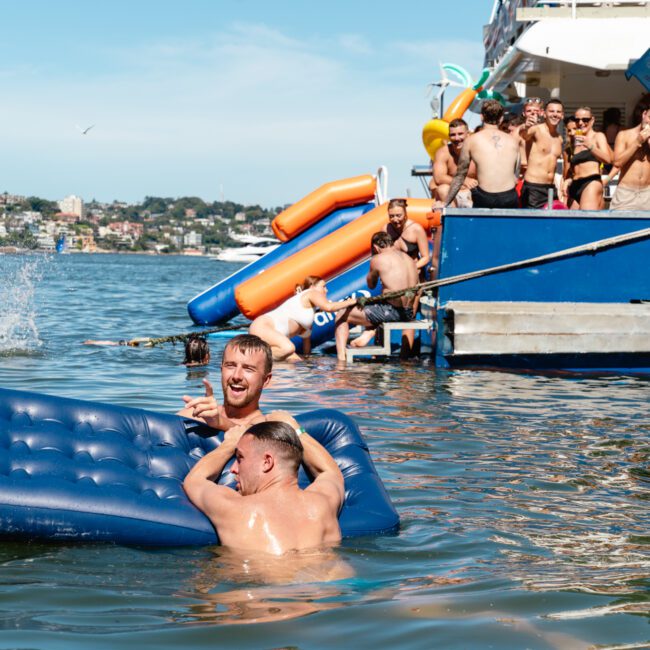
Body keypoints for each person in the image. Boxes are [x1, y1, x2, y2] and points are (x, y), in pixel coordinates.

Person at [183, 419, 345, 555]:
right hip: (334, 588)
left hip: (262, 590)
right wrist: (296, 429)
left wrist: (229, 444)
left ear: (267, 462)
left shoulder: (237, 509)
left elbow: (195, 480)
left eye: (240, 458)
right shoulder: (323, 504)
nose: (233, 469)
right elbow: (331, 472)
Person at [335, 231, 418, 361]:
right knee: (375, 305)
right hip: (408, 312)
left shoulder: (377, 259)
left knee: (341, 314)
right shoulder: (408, 258)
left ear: (375, 247)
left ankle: (341, 360)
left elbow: (371, 285)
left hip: (391, 312)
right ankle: (367, 335)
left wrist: (372, 270)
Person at [178, 334, 276, 431]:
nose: (236, 376)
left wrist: (220, 423)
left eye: (248, 369)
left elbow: (256, 437)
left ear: (266, 380)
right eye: (230, 366)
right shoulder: (194, 414)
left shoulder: (266, 426)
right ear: (222, 370)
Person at [248, 276, 357, 362]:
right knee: (288, 348)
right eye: (323, 286)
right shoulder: (311, 293)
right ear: (312, 286)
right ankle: (250, 357)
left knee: (296, 363)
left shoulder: (308, 316)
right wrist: (352, 301)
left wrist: (308, 364)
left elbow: (307, 352)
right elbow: (329, 307)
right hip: (263, 326)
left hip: (271, 339)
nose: (326, 290)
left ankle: (257, 357)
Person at [439, 100, 520, 210]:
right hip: (509, 197)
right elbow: (516, 175)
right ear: (501, 118)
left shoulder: (471, 140)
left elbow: (460, 177)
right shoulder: (513, 141)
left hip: (485, 197)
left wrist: (445, 203)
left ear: (482, 117)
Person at [563, 107, 612, 210]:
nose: (581, 123)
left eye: (585, 120)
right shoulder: (575, 142)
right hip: (575, 185)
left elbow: (608, 159)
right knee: (572, 223)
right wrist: (567, 181)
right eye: (577, 120)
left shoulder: (598, 136)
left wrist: (590, 146)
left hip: (591, 183)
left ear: (592, 120)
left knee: (585, 221)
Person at [519, 98, 565, 208]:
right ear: (544, 114)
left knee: (552, 223)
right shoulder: (536, 130)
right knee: (532, 223)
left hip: (551, 188)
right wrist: (525, 126)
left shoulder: (560, 139)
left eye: (558, 112)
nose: (555, 114)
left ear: (562, 115)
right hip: (533, 187)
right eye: (551, 111)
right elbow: (524, 135)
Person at [610, 95, 650, 211]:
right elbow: (617, 162)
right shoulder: (624, 134)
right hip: (626, 193)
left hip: (647, 194)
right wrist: (638, 141)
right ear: (644, 115)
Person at [430, 118, 477, 208]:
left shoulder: (477, 152)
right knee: (442, 189)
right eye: (453, 135)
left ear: (468, 134)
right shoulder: (443, 152)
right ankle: (452, 218)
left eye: (460, 134)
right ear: (448, 136)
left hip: (472, 195)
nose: (457, 138)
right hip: (451, 196)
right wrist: (463, 180)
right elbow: (439, 178)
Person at [383, 198, 431, 275]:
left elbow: (426, 257)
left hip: (413, 271)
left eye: (398, 215)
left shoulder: (416, 229)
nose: (395, 220)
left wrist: (411, 268)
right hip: (394, 273)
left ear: (405, 214)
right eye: (391, 216)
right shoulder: (386, 229)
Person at [518, 97, 545, 178]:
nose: (533, 113)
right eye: (529, 111)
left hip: (542, 175)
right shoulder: (519, 130)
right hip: (523, 175)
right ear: (524, 113)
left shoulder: (546, 130)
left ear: (542, 112)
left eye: (536, 111)